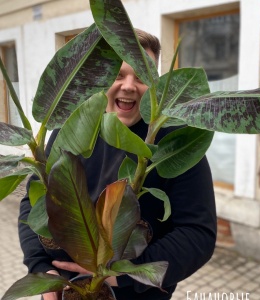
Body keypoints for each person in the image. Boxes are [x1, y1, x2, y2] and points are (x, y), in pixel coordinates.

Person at [18, 29, 217, 300]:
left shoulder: (176, 141)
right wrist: (42, 270)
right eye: (118, 74)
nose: (128, 85)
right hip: (66, 290)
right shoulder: (74, 126)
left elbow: (197, 234)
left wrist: (124, 274)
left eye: (142, 77)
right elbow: (34, 201)